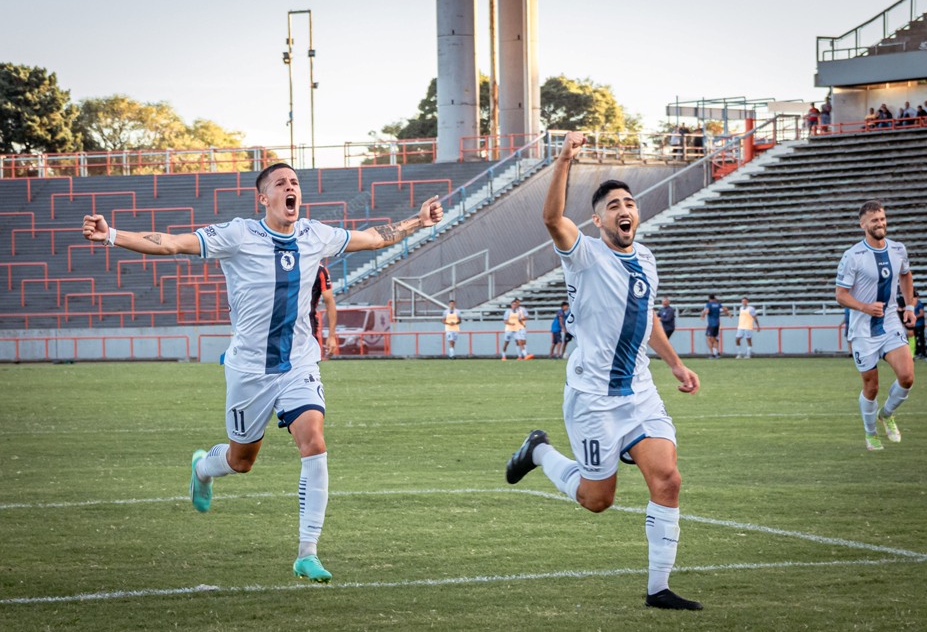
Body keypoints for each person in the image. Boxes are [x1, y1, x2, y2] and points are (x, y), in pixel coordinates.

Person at [82, 162, 443, 582]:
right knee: (241, 461)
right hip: (249, 371)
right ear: (264, 198)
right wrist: (111, 234)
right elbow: (172, 243)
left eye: (295, 183)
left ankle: (308, 551)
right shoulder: (237, 235)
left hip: (298, 363)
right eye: (280, 183)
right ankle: (203, 468)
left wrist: (418, 220)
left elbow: (372, 237)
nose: (290, 188)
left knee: (313, 440)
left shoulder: (315, 234)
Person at [506, 131, 703, 611]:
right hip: (592, 397)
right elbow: (552, 217)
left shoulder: (648, 261)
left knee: (669, 480)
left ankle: (658, 589)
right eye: (613, 204)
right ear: (598, 220)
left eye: (630, 202)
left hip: (638, 392)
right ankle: (539, 453)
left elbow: (647, 317)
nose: (624, 208)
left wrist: (675, 364)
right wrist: (564, 161)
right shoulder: (585, 254)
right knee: (598, 500)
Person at [835, 199, 915, 452]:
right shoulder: (853, 256)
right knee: (871, 387)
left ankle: (887, 413)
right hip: (862, 330)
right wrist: (864, 306)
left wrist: (910, 306)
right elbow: (840, 295)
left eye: (882, 219)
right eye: (874, 221)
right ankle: (870, 433)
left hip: (890, 322)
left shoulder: (898, 249)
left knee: (907, 377)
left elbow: (905, 274)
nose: (880, 224)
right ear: (863, 225)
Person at [309, 263, 337, 358]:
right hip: (283, 325)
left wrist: (332, 336)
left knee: (308, 365)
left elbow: (329, 302)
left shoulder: (319, 269)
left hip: (307, 326)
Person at [913, 291, 926, 358]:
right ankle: (917, 352)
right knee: (914, 339)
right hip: (914, 325)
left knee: (921, 339)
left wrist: (914, 317)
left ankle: (923, 353)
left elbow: (921, 313)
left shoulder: (920, 304)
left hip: (920, 324)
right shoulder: (912, 304)